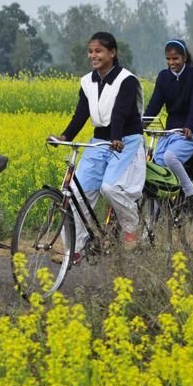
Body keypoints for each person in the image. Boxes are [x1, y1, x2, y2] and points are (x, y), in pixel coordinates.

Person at [58, 31, 146, 259]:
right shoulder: (87, 81)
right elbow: (81, 114)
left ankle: (130, 227)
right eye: (90, 51)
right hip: (99, 142)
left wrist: (116, 137)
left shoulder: (126, 80)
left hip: (125, 140)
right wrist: (66, 136)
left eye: (98, 51)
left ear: (112, 53)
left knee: (111, 187)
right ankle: (74, 249)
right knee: (77, 192)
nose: (93, 55)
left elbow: (120, 112)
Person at [143, 38, 193, 214]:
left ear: (184, 58)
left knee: (171, 157)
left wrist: (190, 126)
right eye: (168, 59)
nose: (172, 63)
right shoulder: (164, 77)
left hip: (192, 130)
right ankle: (160, 212)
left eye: (175, 59)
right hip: (171, 131)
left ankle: (191, 193)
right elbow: (155, 103)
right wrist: (141, 123)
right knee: (158, 165)